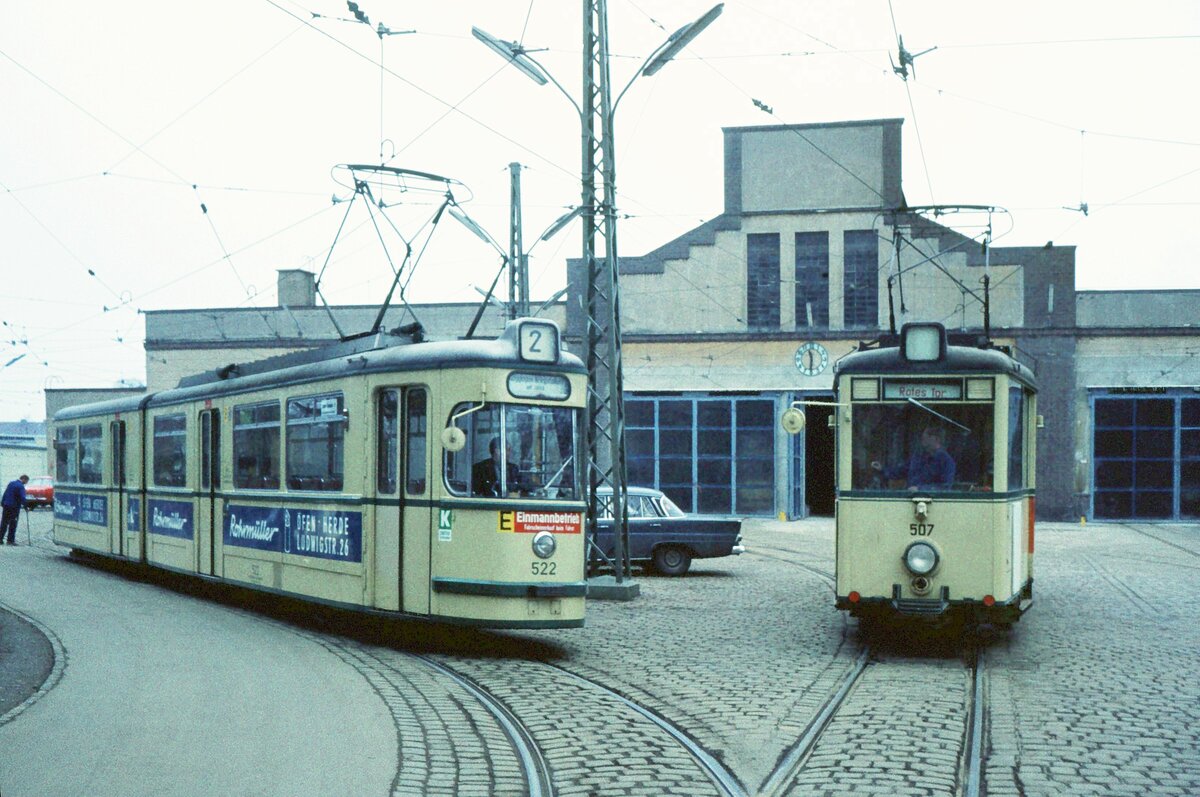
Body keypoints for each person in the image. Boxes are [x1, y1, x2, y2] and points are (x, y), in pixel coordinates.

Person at [1, 475, 29, 545]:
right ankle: (10, 540)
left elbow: (5, 493)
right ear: (24, 479)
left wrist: (2, 502)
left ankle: (0, 539)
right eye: (26, 481)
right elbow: (23, 497)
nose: (26, 483)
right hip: (14, 507)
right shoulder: (20, 486)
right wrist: (26, 506)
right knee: (13, 523)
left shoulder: (11, 483)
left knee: (4, 523)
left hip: (6, 505)